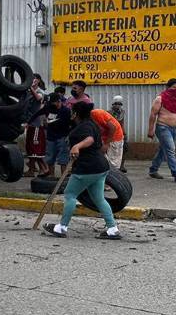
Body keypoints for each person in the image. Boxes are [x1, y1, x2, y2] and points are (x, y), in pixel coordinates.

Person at [43, 101, 121, 240]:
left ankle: (62, 227)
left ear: (75, 113)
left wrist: (77, 146)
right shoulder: (91, 124)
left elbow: (89, 139)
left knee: (70, 194)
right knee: (98, 198)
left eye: (72, 111)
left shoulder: (84, 127)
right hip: (100, 167)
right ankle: (112, 229)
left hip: (87, 168)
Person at [147, 78, 176, 182]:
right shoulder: (160, 98)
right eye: (174, 88)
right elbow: (153, 114)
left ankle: (153, 170)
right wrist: (150, 130)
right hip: (163, 127)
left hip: (174, 129)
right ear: (168, 87)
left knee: (163, 150)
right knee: (171, 149)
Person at [29, 93, 72, 178]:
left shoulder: (66, 111)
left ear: (59, 101)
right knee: (50, 157)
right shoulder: (48, 107)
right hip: (51, 137)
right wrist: (28, 122)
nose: (52, 105)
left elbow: (69, 123)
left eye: (54, 103)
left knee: (63, 158)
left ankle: (63, 177)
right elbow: (37, 114)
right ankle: (51, 176)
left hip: (62, 136)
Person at [24, 74, 48, 177]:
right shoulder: (27, 92)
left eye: (34, 79)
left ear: (38, 80)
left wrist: (31, 88)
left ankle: (44, 169)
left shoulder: (40, 91)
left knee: (36, 148)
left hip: (37, 124)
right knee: (30, 148)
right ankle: (32, 169)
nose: (32, 80)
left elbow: (38, 99)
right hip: (30, 123)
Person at [91, 107, 125, 174]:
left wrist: (106, 144)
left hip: (115, 138)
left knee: (113, 163)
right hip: (105, 137)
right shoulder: (89, 117)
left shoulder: (96, 114)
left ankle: (114, 177)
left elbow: (113, 128)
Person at [110, 96, 127, 173]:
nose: (118, 105)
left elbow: (122, 123)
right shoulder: (109, 112)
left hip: (120, 132)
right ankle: (112, 166)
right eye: (116, 103)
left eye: (119, 104)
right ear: (113, 104)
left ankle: (121, 165)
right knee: (112, 150)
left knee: (124, 148)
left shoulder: (122, 112)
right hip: (112, 133)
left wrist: (124, 133)